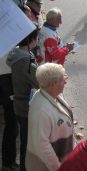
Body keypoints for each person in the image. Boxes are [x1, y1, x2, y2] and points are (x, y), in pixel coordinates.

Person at [26, 63, 74, 171]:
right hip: (47, 166)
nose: (65, 82)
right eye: (62, 79)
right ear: (53, 83)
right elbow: (42, 146)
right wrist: (58, 167)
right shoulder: (41, 110)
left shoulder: (53, 95)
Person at [6, 28, 40, 171]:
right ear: (31, 40)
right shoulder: (25, 60)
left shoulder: (17, 55)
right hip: (26, 107)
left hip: (19, 104)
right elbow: (39, 81)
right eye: (36, 38)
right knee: (28, 144)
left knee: (26, 140)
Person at [0, 56, 19, 171]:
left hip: (7, 80)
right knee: (12, 127)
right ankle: (7, 164)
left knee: (12, 127)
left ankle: (8, 163)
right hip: (6, 81)